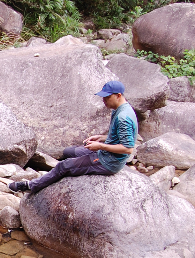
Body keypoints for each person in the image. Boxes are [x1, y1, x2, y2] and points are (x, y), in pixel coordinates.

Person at [9, 80, 138, 194]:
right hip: (105, 151)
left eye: (107, 97)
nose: (103, 100)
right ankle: (53, 176)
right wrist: (101, 138)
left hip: (109, 161)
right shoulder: (119, 109)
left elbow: (128, 148)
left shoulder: (123, 117)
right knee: (69, 152)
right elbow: (118, 136)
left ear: (118, 95)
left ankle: (31, 186)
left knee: (65, 165)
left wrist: (100, 146)